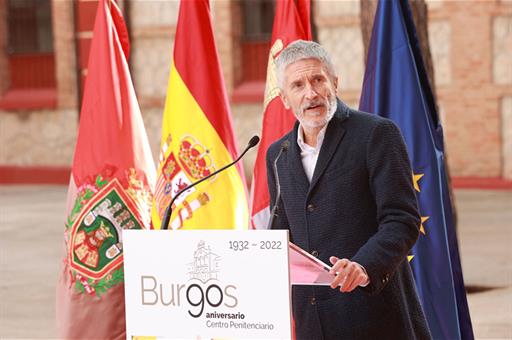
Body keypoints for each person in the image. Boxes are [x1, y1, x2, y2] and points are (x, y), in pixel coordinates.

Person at [266, 40, 432, 339]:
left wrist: (363, 265)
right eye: (298, 85)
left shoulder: (376, 134)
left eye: (318, 79)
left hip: (373, 314)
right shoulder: (278, 154)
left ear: (335, 83)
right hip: (312, 322)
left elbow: (402, 219)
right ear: (285, 99)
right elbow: (281, 234)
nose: (311, 93)